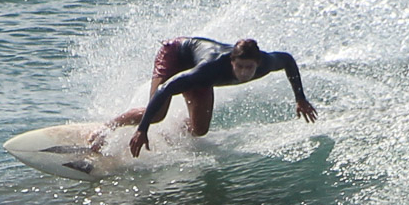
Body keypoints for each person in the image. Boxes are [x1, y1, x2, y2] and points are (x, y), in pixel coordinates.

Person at [100, 37, 317, 156]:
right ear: (231, 62)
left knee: (200, 130)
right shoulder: (210, 69)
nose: (243, 73)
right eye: (239, 67)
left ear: (257, 64)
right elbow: (165, 89)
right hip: (175, 54)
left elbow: (288, 60)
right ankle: (107, 128)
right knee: (157, 114)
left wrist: (300, 98)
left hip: (197, 71)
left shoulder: (266, 62)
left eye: (249, 68)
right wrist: (142, 130)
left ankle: (169, 134)